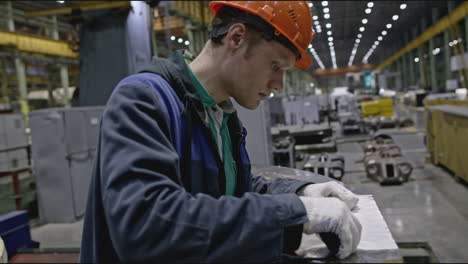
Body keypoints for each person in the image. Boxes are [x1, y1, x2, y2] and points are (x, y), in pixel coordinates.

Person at [80, 1, 362, 263]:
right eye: (275, 66)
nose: (279, 84)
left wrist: (303, 192)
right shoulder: (143, 100)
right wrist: (299, 212)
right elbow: (146, 227)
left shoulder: (221, 115)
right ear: (236, 38)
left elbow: (230, 191)